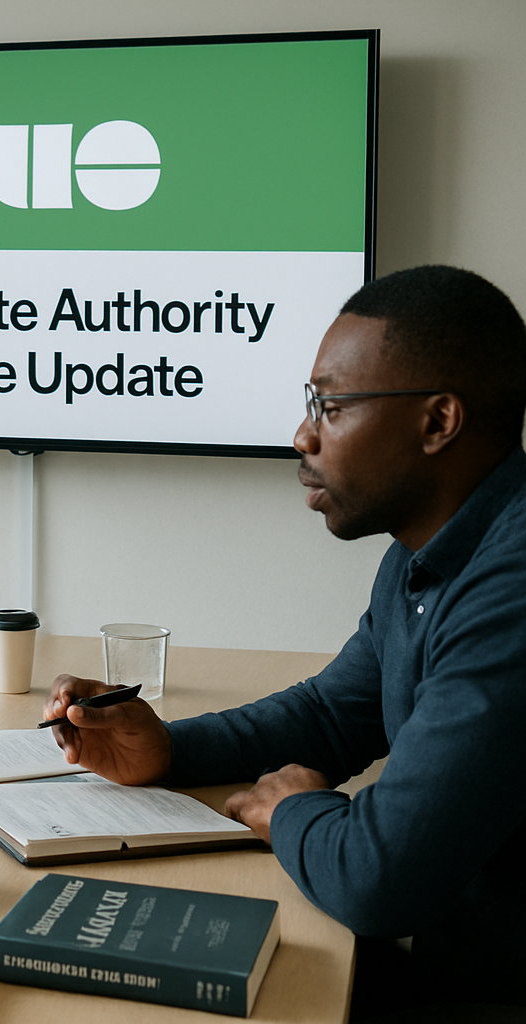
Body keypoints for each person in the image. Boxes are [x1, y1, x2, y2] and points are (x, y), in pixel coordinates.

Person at [43, 265, 526, 1014]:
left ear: (438, 422)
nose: (302, 434)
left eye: (331, 406)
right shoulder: (426, 555)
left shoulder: (512, 586)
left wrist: (294, 809)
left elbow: (380, 878)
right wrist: (170, 749)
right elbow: (334, 714)